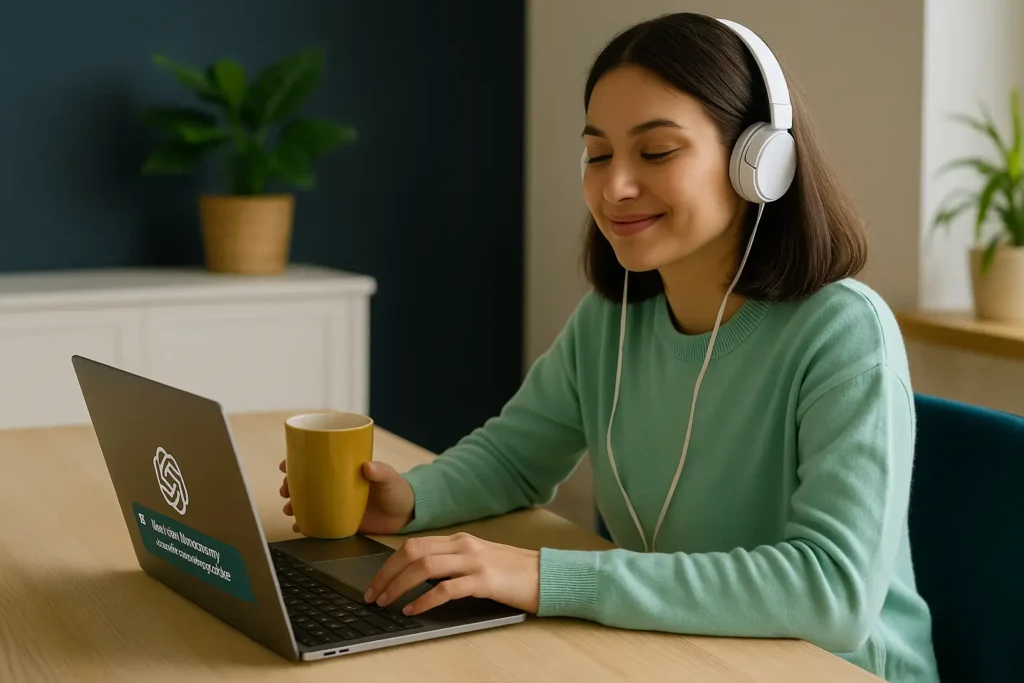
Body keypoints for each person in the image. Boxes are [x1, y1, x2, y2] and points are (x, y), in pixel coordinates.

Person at [279, 12, 939, 683]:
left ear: (759, 163)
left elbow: (832, 593)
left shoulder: (844, 332)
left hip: (832, 668)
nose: (615, 186)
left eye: (656, 153)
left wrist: (546, 575)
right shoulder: (611, 321)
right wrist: (410, 501)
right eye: (597, 154)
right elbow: (514, 458)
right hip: (678, 653)